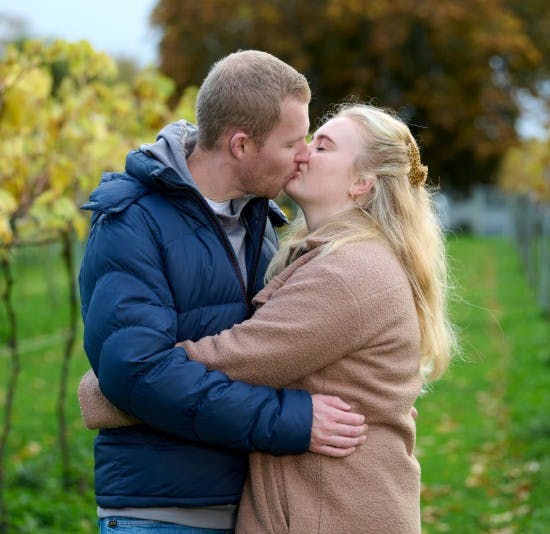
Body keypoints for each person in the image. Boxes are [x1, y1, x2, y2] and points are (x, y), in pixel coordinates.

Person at [80, 102, 456, 532]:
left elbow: (239, 359)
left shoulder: (348, 273)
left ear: (361, 183)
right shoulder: (311, 253)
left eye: (323, 146)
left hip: (332, 512)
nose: (303, 152)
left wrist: (107, 388)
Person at [78, 50, 368, 534]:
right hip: (162, 513)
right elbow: (139, 374)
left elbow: (266, 350)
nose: (304, 154)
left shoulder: (260, 220)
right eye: (292, 141)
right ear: (240, 145)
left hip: (250, 505)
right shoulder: (131, 222)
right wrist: (290, 420)